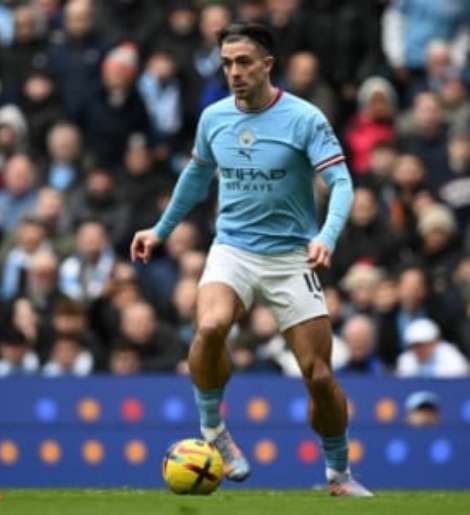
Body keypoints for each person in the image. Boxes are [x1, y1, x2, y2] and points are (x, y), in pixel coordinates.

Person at [130, 24, 371, 497]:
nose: (234, 72)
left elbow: (342, 183)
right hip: (233, 249)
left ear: (267, 65)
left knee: (319, 376)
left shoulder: (305, 118)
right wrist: (159, 230)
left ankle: (338, 473)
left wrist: (327, 235)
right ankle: (214, 430)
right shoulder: (214, 118)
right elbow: (196, 179)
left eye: (243, 62)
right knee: (210, 328)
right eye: (226, 63)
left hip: (291, 256)